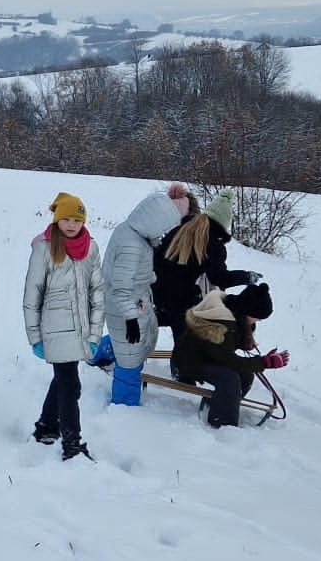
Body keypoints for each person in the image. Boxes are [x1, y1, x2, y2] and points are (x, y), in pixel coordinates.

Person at [22, 192, 107, 461]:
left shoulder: (91, 248)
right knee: (70, 385)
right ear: (57, 219)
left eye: (77, 220)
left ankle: (47, 427)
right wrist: (35, 337)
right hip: (55, 329)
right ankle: (72, 444)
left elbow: (97, 293)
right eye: (66, 219)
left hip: (81, 329)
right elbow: (31, 295)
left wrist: (95, 335)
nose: (71, 225)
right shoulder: (44, 248)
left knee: (66, 382)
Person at [104, 182, 190, 405]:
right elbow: (121, 288)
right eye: (164, 228)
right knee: (129, 360)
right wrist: (131, 317)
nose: (164, 233)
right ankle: (125, 406)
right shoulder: (132, 245)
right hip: (126, 308)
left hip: (132, 304)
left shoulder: (132, 233)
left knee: (125, 345)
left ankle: (98, 352)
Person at [171, 284, 288, 428]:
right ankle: (223, 424)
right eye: (257, 318)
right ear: (247, 311)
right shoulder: (219, 324)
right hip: (188, 361)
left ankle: (220, 404)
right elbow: (230, 361)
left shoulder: (234, 313)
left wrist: (246, 342)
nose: (258, 322)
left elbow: (227, 345)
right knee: (229, 378)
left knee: (245, 375)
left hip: (207, 357)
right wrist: (265, 362)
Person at [152, 190, 256, 344]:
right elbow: (219, 278)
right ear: (223, 225)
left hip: (156, 292)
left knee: (175, 315)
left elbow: (157, 257)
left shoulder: (182, 229)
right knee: (187, 341)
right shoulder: (212, 243)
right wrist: (246, 276)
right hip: (181, 300)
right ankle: (183, 363)